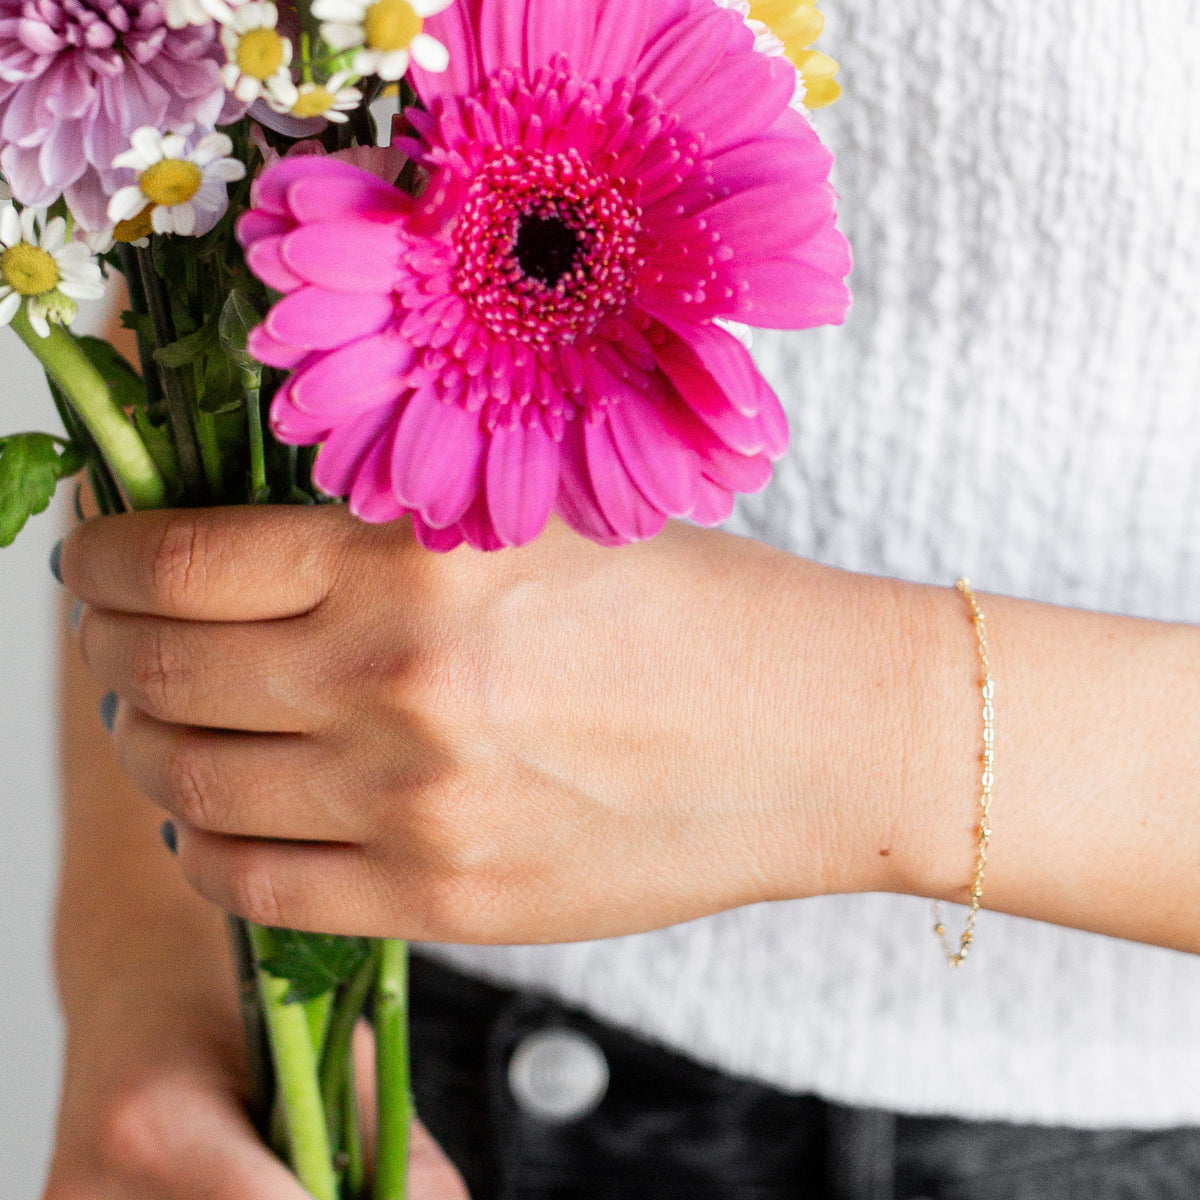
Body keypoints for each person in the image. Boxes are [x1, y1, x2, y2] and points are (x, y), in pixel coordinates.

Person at [40, 2, 1200, 1198]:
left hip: (1108, 1141)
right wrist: (157, 957)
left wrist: (856, 728)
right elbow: (210, 220)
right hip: (384, 1041)